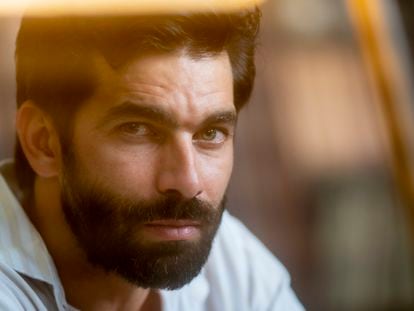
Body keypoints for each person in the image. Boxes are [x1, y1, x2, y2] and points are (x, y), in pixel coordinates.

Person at [0, 7, 304, 311]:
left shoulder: (230, 264)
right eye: (138, 129)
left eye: (211, 133)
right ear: (43, 142)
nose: (188, 183)